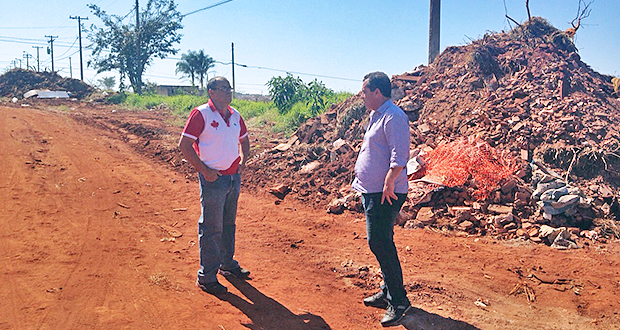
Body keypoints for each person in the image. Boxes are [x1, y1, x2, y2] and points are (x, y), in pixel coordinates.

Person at [178, 76, 251, 295]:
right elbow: (184, 145)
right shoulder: (201, 114)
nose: (229, 92)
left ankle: (227, 263)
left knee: (228, 223)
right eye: (223, 88)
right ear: (211, 92)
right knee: (211, 227)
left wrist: (243, 161)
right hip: (213, 180)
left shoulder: (235, 115)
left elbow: (245, 140)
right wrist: (205, 171)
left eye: (230, 88)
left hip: (232, 178)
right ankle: (207, 277)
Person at [352, 72, 411, 327]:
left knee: (379, 242)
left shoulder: (394, 116)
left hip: (386, 191)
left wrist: (388, 181)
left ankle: (399, 302)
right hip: (373, 189)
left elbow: (400, 155)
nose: (362, 95)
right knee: (382, 240)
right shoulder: (377, 115)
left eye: (365, 91)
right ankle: (388, 290)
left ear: (377, 92)